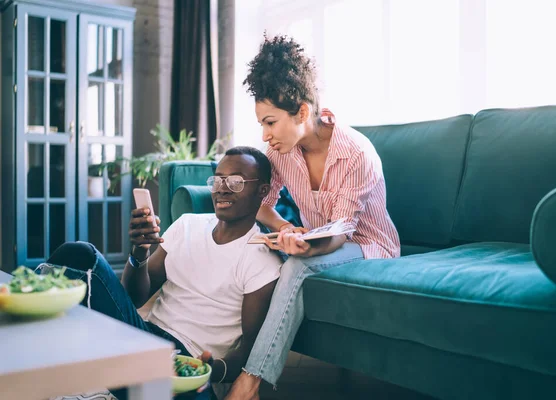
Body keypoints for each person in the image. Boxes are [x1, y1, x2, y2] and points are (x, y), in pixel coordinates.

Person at [225, 35, 401, 400]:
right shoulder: (280, 152)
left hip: (367, 246)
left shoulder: (356, 154)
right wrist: (285, 229)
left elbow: (340, 233)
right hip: (324, 239)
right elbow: (262, 203)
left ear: (302, 113)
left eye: (271, 122)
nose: (265, 135)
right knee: (258, 254)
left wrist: (306, 248)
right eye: (262, 124)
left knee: (295, 267)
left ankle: (250, 382)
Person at [42, 146, 282, 399]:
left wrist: (212, 370)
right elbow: (134, 298)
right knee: (79, 254)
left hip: (190, 365)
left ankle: (107, 384)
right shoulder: (187, 225)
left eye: (235, 181)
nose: (222, 188)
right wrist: (140, 251)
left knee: (182, 391)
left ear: (262, 191)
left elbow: (249, 350)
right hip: (144, 338)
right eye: (218, 179)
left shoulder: (262, 260)